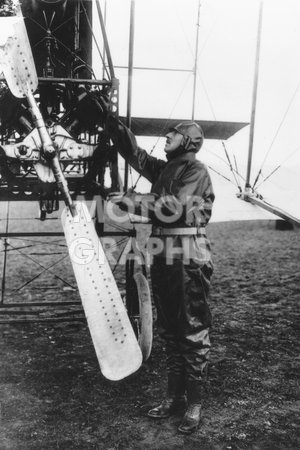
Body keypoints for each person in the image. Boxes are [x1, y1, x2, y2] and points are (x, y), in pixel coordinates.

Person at [108, 119, 214, 434]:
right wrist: (114, 128)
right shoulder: (167, 169)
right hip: (166, 250)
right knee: (169, 326)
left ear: (190, 142)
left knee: (191, 327)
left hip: (188, 254)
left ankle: (194, 402)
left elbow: (174, 206)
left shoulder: (196, 171)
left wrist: (130, 200)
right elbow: (138, 157)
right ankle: (174, 396)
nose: (166, 136)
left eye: (174, 134)